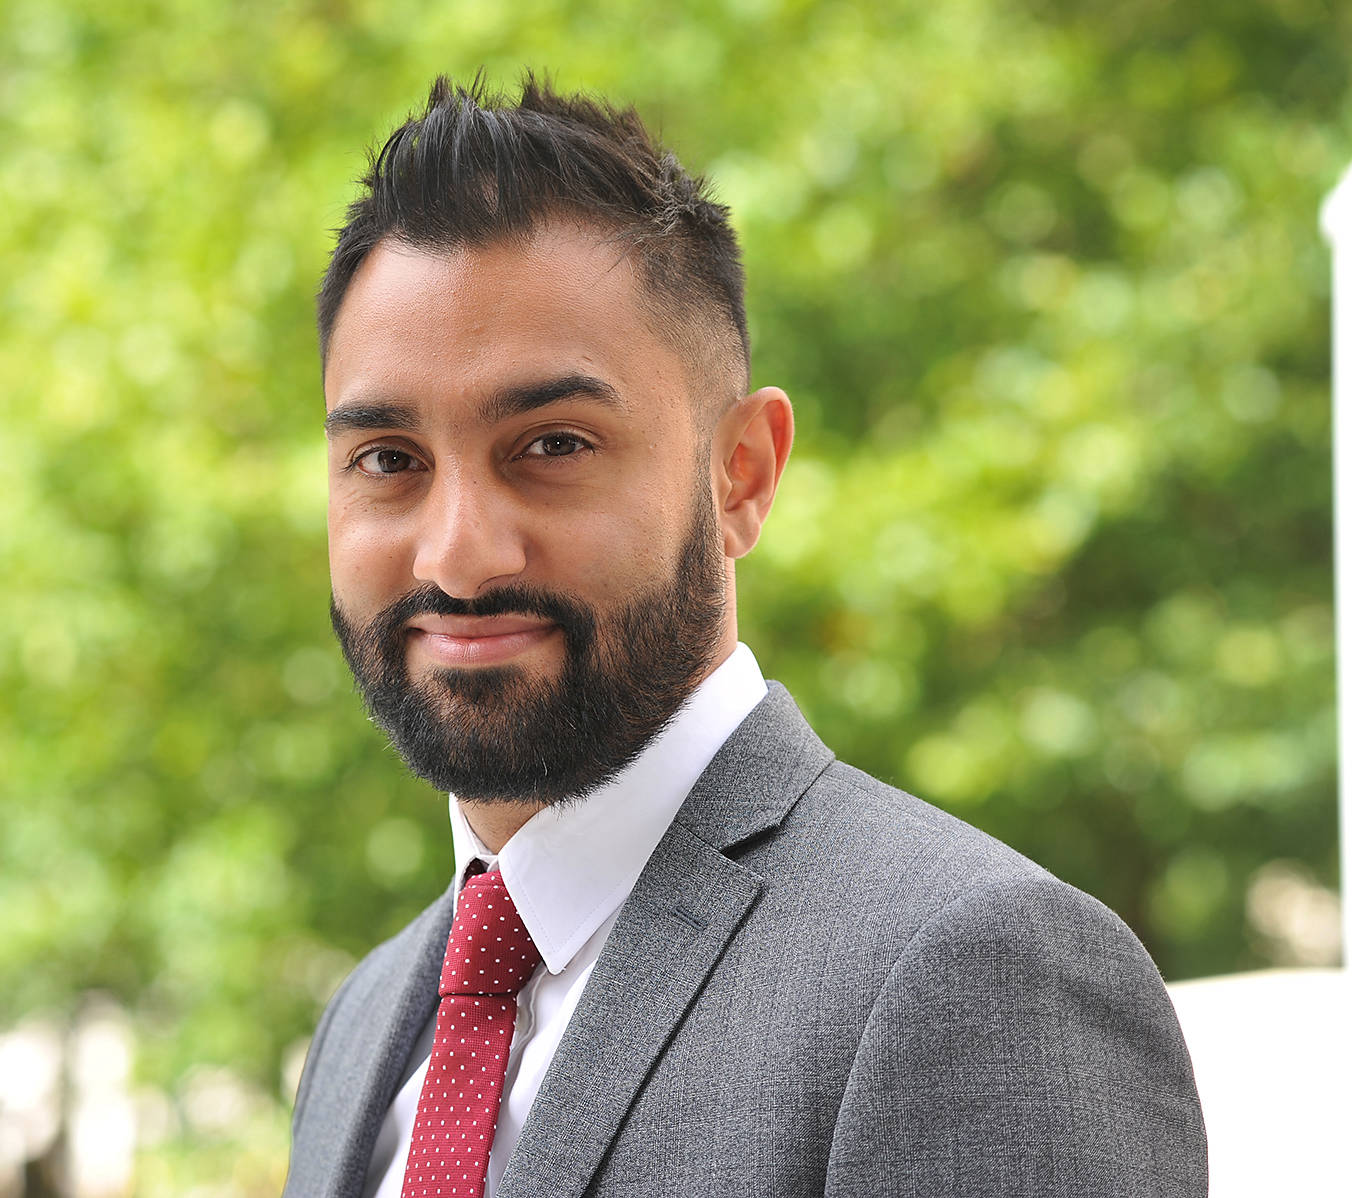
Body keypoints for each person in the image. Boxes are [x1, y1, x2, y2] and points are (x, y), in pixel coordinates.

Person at [285, 73, 1207, 1198]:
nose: (458, 555)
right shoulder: (366, 1024)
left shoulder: (975, 972)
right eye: (389, 460)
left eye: (554, 443)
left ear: (743, 474)